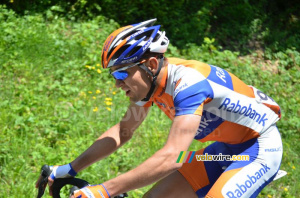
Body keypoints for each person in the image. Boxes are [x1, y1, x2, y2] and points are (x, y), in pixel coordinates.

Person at [36, 18, 283, 198]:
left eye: (122, 72)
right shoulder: (148, 86)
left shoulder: (188, 84)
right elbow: (123, 132)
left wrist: (103, 191)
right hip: (222, 151)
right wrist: (71, 168)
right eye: (114, 75)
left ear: (151, 64)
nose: (117, 83)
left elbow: (171, 157)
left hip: (259, 149)